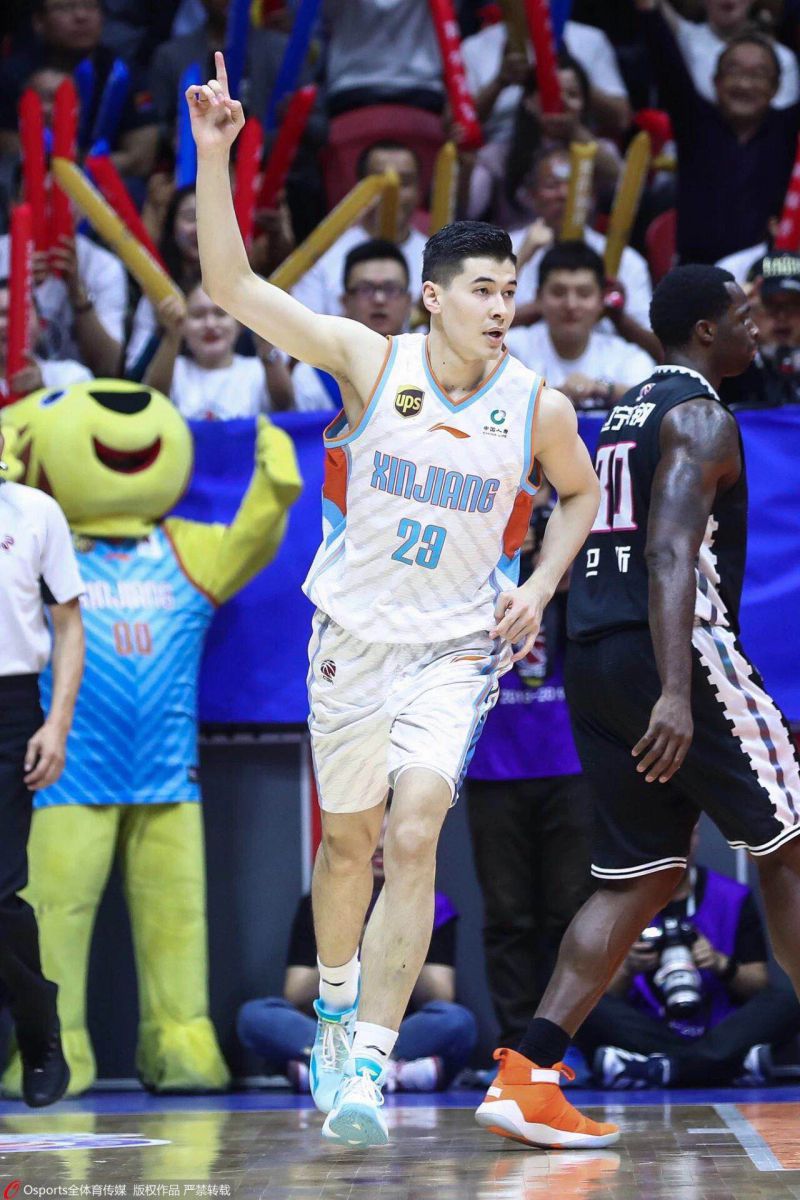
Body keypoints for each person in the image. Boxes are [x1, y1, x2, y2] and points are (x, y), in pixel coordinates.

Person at [186, 51, 600, 1149]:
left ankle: (369, 1057)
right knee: (348, 848)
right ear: (433, 297)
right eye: (483, 290)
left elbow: (580, 494)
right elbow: (232, 288)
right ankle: (333, 1008)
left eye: (508, 291)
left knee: (414, 835)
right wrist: (216, 155)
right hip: (351, 641)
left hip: (454, 651)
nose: (501, 307)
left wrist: (541, 584)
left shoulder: (538, 407)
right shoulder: (370, 363)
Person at [475, 264, 800, 1149]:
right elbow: (667, 553)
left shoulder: (624, 411)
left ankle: (526, 1076)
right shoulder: (701, 417)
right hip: (674, 652)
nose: (757, 327)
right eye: (743, 315)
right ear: (706, 331)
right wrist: (677, 692)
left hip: (593, 654)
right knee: (790, 839)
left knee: (643, 877)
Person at [466, 485, 593, 1048]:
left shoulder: (569, 570)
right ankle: (516, 1044)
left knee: (571, 911)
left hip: (570, 764)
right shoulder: (478, 556)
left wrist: (554, 572)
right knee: (507, 915)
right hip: (494, 767)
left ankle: (563, 1041)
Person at [237, 804, 477, 1092]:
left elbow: (440, 995)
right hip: (332, 1029)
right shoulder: (320, 902)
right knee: (255, 1017)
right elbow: (296, 994)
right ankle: (386, 1072)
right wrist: (349, 945)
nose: (380, 845)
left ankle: (339, 1069)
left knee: (457, 1022)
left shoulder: (432, 904)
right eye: (372, 835)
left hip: (397, 1030)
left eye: (390, 835)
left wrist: (400, 943)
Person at [0, 429, 84, 1106]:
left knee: (0, 892)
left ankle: (37, 1027)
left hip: (10, 707)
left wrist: (55, 724)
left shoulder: (33, 511)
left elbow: (68, 624)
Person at [586, 826, 800, 1088]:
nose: (678, 841)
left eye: (688, 831)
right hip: (648, 1027)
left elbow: (758, 984)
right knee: (586, 1008)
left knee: (790, 996)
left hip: (721, 1027)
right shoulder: (619, 902)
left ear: (697, 837)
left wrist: (721, 964)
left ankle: (657, 1068)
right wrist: (628, 968)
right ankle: (725, 1066)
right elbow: (603, 995)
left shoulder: (732, 896)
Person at [636, 0, 799, 264]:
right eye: (734, 71)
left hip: (769, 270)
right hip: (699, 271)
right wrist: (648, 10)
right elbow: (666, 60)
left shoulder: (788, 130)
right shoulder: (694, 122)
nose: (745, 84)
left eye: (759, 74)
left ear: (776, 87)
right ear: (716, 82)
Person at [0, 0, 157, 179]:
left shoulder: (124, 71)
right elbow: (8, 149)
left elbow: (140, 158)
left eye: (90, 6)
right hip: (27, 179)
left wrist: (74, 167)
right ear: (39, 21)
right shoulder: (12, 74)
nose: (81, 16)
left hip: (106, 183)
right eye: (65, 7)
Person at [467, 53, 622, 228]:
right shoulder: (497, 155)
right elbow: (468, 210)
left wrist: (575, 131)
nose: (561, 102)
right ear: (528, 101)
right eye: (551, 93)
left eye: (572, 95)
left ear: (584, 104)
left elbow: (626, 194)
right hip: (515, 243)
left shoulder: (603, 151)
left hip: (580, 242)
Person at [509, 147, 653, 332]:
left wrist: (617, 317)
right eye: (552, 186)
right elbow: (478, 327)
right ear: (532, 195)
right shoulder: (503, 249)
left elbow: (653, 344)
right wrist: (521, 257)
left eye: (574, 185)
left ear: (592, 196)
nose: (564, 194)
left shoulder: (627, 261)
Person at [506, 243, 656, 410]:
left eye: (584, 293)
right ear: (538, 297)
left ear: (602, 300)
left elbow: (653, 399)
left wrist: (602, 388)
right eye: (558, 292)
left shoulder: (629, 357)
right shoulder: (509, 350)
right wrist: (557, 395)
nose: (571, 304)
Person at [291, 140, 426, 317]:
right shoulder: (323, 254)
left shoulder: (438, 259)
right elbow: (302, 325)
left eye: (405, 182)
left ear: (418, 190)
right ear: (359, 189)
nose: (392, 192)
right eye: (381, 182)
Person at [461, 15, 631, 144]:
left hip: (576, 144)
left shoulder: (590, 39)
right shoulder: (475, 47)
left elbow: (621, 119)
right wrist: (499, 82)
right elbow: (456, 129)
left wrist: (574, 77)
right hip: (500, 148)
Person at [292, 239, 412, 411]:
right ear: (345, 301)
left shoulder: (433, 365)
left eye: (390, 289)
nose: (379, 299)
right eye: (365, 289)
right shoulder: (312, 375)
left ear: (408, 301)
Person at [143, 284, 294, 417]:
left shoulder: (258, 370)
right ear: (183, 325)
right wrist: (172, 335)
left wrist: (266, 345)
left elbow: (286, 405)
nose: (210, 324)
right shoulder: (173, 369)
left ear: (239, 323)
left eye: (220, 314)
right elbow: (151, 404)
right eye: (198, 315)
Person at [660, 0, 799, 109]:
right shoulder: (683, 40)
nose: (744, 85)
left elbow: (782, 118)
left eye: (758, 73)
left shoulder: (782, 57)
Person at [125, 184, 201, 375]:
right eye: (190, 217)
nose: (200, 229)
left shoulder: (244, 288)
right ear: (172, 226)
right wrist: (164, 333)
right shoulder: (157, 295)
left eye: (210, 219)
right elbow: (133, 376)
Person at [0, 278, 93, 402]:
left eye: (17, 313)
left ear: (41, 324)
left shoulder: (71, 377)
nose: (5, 324)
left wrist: (41, 394)